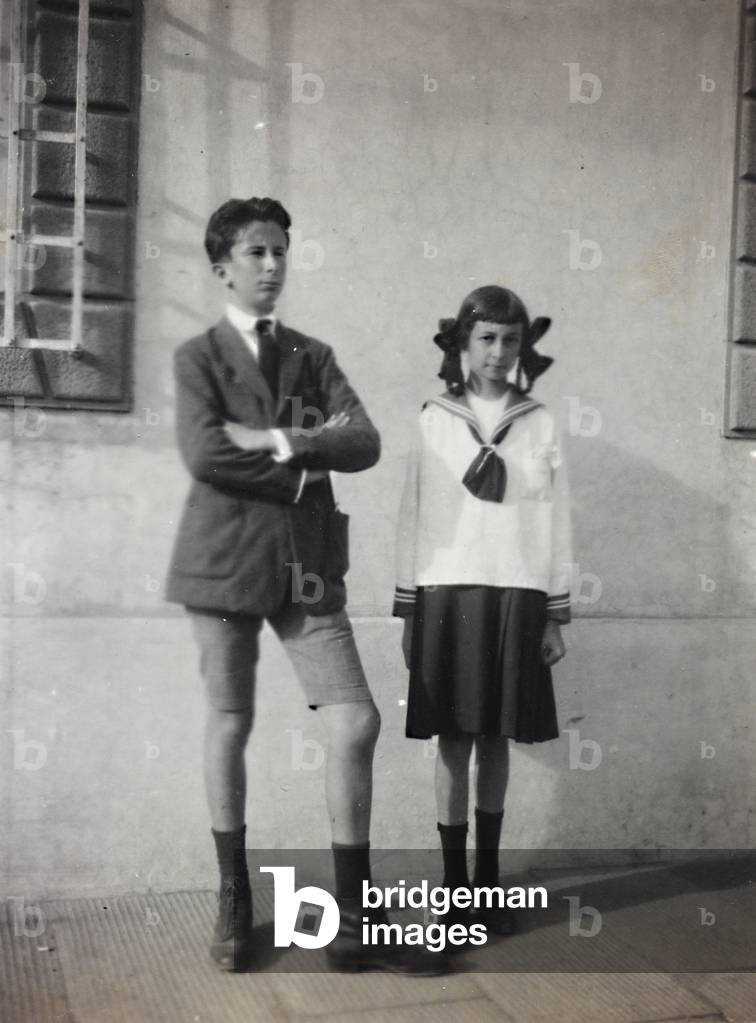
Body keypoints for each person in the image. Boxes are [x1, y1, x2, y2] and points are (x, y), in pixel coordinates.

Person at [166, 196, 443, 975]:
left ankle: (355, 914)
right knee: (229, 720)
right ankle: (233, 897)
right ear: (222, 265)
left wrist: (286, 439)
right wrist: (300, 468)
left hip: (306, 564)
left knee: (353, 720)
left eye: (280, 250)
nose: (271, 264)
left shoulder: (313, 356)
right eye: (255, 252)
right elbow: (207, 455)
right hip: (221, 564)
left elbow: (365, 439)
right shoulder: (198, 359)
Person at [393, 284, 572, 936]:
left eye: (511, 340)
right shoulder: (434, 417)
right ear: (463, 345)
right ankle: (453, 881)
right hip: (447, 593)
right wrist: (409, 608)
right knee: (453, 737)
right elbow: (412, 515)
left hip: (516, 597)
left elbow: (556, 521)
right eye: (487, 339)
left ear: (524, 347)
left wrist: (554, 611)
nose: (499, 352)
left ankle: (489, 878)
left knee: (496, 736)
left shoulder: (540, 422)